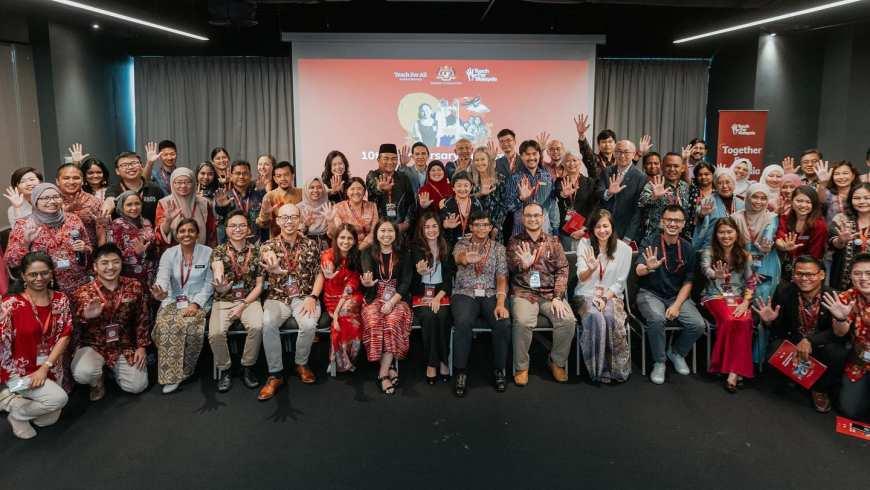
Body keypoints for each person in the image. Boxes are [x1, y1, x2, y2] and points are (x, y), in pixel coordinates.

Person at [754, 256, 848, 413]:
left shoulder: (833, 296)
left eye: (810, 274)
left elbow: (837, 333)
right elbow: (778, 329)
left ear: (821, 275)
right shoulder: (784, 291)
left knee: (838, 353)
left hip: (821, 345)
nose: (804, 279)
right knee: (774, 350)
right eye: (799, 274)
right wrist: (769, 322)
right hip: (794, 341)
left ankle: (819, 389)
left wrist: (810, 341)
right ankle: (798, 379)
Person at [0, 252, 72, 439]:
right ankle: (15, 412)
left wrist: (46, 367)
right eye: (33, 274)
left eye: (44, 273)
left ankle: (16, 400)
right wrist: (11, 377)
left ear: (51, 273)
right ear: (23, 276)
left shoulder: (60, 299)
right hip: (17, 373)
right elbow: (2, 344)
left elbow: (65, 336)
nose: (39, 278)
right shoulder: (10, 304)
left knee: (47, 420)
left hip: (49, 366)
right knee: (58, 399)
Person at [257, 204, 322, 400]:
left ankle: (301, 363)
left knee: (309, 325)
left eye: (293, 217)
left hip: (304, 297)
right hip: (278, 298)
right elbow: (267, 259)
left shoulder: (311, 244)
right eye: (284, 217)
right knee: (268, 323)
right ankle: (275, 374)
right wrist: (274, 268)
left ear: (299, 220)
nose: (289, 221)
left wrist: (313, 297)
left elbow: (319, 274)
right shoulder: (268, 246)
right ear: (278, 221)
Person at [635, 205, 706, 385]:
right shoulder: (650, 241)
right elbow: (638, 270)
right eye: (669, 220)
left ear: (683, 225)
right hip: (650, 293)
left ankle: (676, 353)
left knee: (698, 325)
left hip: (676, 296)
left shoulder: (688, 248)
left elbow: (688, 282)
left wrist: (676, 305)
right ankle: (659, 362)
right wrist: (648, 267)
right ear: (662, 222)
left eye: (677, 221)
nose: (673, 224)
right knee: (657, 319)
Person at [70, 244, 149, 400]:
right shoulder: (83, 292)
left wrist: (142, 346)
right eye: (104, 263)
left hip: (123, 345)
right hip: (94, 345)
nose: (111, 267)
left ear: (121, 263)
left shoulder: (134, 286)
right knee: (83, 373)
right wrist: (86, 316)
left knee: (137, 386)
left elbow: (142, 317)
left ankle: (111, 370)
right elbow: (74, 326)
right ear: (95, 267)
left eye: (115, 262)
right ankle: (97, 382)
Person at [507, 202, 574, 386]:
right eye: (529, 215)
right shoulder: (515, 241)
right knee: (522, 322)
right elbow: (510, 267)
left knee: (567, 320)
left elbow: (563, 269)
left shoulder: (554, 242)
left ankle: (556, 362)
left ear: (543, 218)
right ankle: (521, 367)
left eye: (536, 215)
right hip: (523, 293)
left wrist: (558, 297)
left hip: (549, 294)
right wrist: (523, 265)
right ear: (523, 218)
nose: (533, 219)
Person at [150, 218, 213, 394]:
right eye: (182, 231)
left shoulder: (208, 252)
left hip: (199, 301)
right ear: (177, 235)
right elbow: (162, 277)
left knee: (188, 325)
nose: (187, 234)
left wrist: (196, 304)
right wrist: (161, 292)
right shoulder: (169, 254)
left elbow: (209, 284)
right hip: (173, 299)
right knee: (164, 326)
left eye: (191, 231)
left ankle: (183, 371)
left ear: (197, 234)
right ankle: (172, 374)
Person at [451, 211, 511, 396]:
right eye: (477, 224)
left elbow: (501, 277)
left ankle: (499, 370)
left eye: (485, 225)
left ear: (490, 227)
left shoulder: (499, 248)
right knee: (462, 322)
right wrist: (465, 258)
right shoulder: (462, 244)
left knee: (502, 322)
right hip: (465, 292)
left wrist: (500, 303)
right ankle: (461, 371)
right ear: (471, 227)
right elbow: (458, 257)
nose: (481, 228)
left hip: (490, 293)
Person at [573, 209, 632, 384]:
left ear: (612, 227)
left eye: (605, 226)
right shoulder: (585, 244)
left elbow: (620, 282)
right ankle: (598, 369)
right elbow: (581, 277)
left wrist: (604, 298)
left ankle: (617, 369)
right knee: (595, 317)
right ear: (592, 229)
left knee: (610, 317)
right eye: (598, 227)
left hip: (611, 296)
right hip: (585, 294)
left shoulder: (625, 250)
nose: (602, 230)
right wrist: (591, 268)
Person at [209, 211, 263, 393]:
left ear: (248, 229)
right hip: (224, 300)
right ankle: (225, 369)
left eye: (242, 225)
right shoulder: (218, 251)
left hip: (249, 300)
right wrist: (220, 285)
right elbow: (217, 269)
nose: (237, 229)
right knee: (215, 333)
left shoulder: (257, 251)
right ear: (226, 229)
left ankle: (248, 367)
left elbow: (259, 286)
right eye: (233, 226)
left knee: (257, 326)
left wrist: (243, 304)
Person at [701, 217, 756, 393]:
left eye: (729, 232)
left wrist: (746, 303)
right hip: (714, 295)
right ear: (716, 235)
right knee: (729, 319)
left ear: (736, 233)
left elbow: (751, 282)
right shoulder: (709, 252)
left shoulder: (745, 255)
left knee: (745, 321)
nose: (726, 236)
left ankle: (733, 371)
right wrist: (715, 274)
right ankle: (729, 369)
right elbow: (706, 270)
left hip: (737, 297)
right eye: (721, 232)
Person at [5, 183, 93, 293]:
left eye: (56, 197)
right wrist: (26, 243)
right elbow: (12, 262)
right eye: (45, 198)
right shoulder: (24, 225)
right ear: (35, 200)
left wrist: (84, 248)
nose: (52, 201)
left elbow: (89, 247)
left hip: (79, 283)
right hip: (45, 288)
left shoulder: (73, 219)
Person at [359, 219, 413, 395]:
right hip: (374, 296)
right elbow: (367, 272)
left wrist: (391, 302)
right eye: (382, 231)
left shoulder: (404, 254)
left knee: (391, 323)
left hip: (397, 298)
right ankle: (390, 367)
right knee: (374, 321)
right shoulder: (367, 252)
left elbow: (406, 283)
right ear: (376, 233)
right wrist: (367, 283)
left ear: (396, 234)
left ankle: (382, 374)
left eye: (390, 231)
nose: (386, 235)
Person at [410, 212, 455, 384]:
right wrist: (419, 272)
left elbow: (449, 277)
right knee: (428, 317)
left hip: (440, 292)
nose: (431, 230)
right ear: (421, 229)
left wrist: (437, 298)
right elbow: (412, 278)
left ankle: (443, 361)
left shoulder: (446, 246)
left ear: (439, 227)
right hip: (421, 293)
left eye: (434, 226)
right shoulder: (415, 247)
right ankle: (431, 363)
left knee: (443, 316)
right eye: (427, 227)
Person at [827, 253, 870, 420]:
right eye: (857, 273)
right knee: (850, 410)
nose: (863, 278)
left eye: (868, 273)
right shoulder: (846, 298)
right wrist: (840, 318)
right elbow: (840, 333)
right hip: (859, 361)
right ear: (850, 276)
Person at [319, 224, 364, 374]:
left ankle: (349, 358)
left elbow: (353, 284)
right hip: (332, 297)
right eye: (342, 237)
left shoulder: (357, 256)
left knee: (346, 313)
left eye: (349, 238)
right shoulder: (327, 255)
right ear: (336, 239)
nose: (346, 241)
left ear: (355, 240)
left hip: (351, 295)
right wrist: (330, 274)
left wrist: (337, 313)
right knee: (344, 316)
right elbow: (328, 266)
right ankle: (340, 360)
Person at [732, 183, 780, 301]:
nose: (759, 201)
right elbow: (732, 245)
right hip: (742, 260)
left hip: (766, 262)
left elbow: (768, 238)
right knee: (737, 296)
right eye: (755, 197)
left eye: (763, 198)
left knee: (762, 294)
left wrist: (766, 247)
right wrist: (750, 270)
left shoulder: (772, 218)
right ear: (747, 197)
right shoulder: (735, 218)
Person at [505, 140, 560, 237]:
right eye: (527, 154)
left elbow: (552, 204)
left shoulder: (547, 177)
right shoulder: (514, 178)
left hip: (544, 229)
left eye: (534, 154)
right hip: (521, 230)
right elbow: (508, 206)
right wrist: (521, 199)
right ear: (521, 156)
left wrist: (555, 227)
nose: (531, 157)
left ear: (539, 155)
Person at [597, 139, 646, 245]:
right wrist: (609, 192)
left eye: (626, 152)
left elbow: (638, 210)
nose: (622, 155)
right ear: (614, 153)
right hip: (604, 230)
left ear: (633, 154)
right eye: (619, 151)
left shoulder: (640, 177)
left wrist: (628, 237)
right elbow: (599, 194)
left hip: (626, 232)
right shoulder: (607, 171)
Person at [775, 185, 827, 281]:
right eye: (799, 201)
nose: (803, 205)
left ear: (814, 204)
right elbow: (779, 239)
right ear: (792, 201)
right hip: (785, 268)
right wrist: (784, 246)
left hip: (809, 271)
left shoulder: (819, 225)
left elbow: (815, 255)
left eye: (808, 202)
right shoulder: (784, 218)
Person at [155, 167, 217, 247]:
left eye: (188, 182)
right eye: (179, 182)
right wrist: (168, 221)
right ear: (172, 184)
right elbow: (159, 237)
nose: (183, 186)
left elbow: (212, 233)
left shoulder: (203, 203)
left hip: (201, 251)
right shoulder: (164, 203)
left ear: (194, 183)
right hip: (173, 252)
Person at [109, 191, 158, 288]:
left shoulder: (146, 222)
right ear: (122, 206)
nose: (134, 208)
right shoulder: (117, 225)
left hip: (150, 273)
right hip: (130, 277)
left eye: (137, 203)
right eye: (129, 205)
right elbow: (114, 253)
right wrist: (136, 252)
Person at [639, 152, 692, 241]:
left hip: (680, 238)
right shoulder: (654, 184)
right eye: (668, 166)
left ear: (682, 168)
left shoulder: (684, 186)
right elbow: (641, 203)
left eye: (676, 166)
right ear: (662, 167)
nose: (672, 169)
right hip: (655, 239)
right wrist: (654, 197)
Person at [366, 143, 416, 234]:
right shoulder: (372, 175)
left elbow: (411, 203)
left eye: (394, 159)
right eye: (386, 158)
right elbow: (374, 188)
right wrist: (380, 188)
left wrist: (406, 223)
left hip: (400, 229)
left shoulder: (403, 178)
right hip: (379, 229)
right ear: (378, 160)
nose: (390, 162)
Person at [102, 151, 166, 223]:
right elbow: (110, 200)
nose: (130, 167)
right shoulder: (113, 189)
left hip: (150, 229)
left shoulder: (155, 189)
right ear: (117, 171)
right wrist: (105, 211)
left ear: (141, 166)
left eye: (134, 163)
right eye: (124, 165)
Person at [555, 151, 600, 251]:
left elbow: (594, 208)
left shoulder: (590, 183)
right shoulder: (558, 182)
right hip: (564, 231)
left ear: (580, 162)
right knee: (566, 258)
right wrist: (563, 195)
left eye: (574, 160)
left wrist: (585, 228)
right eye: (568, 161)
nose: (571, 164)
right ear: (563, 164)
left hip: (584, 231)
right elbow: (557, 197)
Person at [829, 183, 870, 290]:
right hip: (844, 277)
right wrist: (841, 240)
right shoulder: (841, 219)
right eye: (857, 198)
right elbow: (832, 243)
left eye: (867, 198)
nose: (862, 201)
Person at [214, 160, 266, 243]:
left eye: (245, 173)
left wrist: (263, 193)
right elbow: (220, 215)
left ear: (250, 176)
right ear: (231, 176)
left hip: (256, 242)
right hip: (232, 243)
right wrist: (221, 207)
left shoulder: (259, 195)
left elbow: (265, 219)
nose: (241, 176)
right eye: (238, 173)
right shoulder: (224, 197)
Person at [692, 167, 744, 251]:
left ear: (734, 183)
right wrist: (701, 215)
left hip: (735, 248)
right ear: (715, 185)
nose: (724, 186)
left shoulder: (741, 203)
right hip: (711, 247)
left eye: (728, 182)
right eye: (720, 183)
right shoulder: (708, 201)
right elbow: (699, 215)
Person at [467, 147, 508, 242]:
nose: (479, 163)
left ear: (489, 160)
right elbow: (465, 200)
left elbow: (504, 205)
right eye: (477, 160)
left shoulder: (500, 179)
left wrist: (497, 226)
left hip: (494, 228)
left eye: (482, 159)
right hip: (475, 228)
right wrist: (480, 193)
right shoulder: (469, 179)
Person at [57, 163, 103, 245]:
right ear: (57, 181)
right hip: (59, 249)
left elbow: (101, 230)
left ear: (82, 181)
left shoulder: (94, 201)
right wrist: (68, 210)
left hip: (89, 249)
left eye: (76, 178)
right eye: (66, 178)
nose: (71, 182)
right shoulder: (51, 200)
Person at [328, 177, 378, 250]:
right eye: (352, 189)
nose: (356, 192)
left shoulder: (372, 206)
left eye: (359, 189)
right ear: (347, 192)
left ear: (364, 191)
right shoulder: (338, 207)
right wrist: (330, 221)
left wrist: (359, 249)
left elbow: (374, 231)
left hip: (368, 248)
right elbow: (336, 233)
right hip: (345, 247)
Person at [257, 161, 303, 238]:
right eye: (279, 176)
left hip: (300, 238)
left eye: (286, 175)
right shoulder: (269, 196)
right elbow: (263, 225)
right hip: (277, 240)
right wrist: (265, 214)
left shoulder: (302, 193)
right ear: (275, 179)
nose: (283, 178)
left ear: (292, 176)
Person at [439, 172, 483, 247]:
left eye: (466, 185)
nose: (462, 189)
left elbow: (481, 223)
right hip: (451, 245)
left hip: (473, 244)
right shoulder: (446, 204)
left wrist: (475, 233)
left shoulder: (477, 203)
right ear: (453, 188)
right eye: (459, 185)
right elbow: (439, 225)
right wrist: (445, 225)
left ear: (471, 187)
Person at [298, 177, 333, 251]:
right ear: (306, 189)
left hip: (327, 247)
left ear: (323, 189)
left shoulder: (329, 206)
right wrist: (306, 225)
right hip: (305, 248)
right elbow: (295, 234)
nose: (315, 190)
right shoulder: (298, 208)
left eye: (319, 187)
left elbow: (335, 234)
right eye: (312, 187)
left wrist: (330, 221)